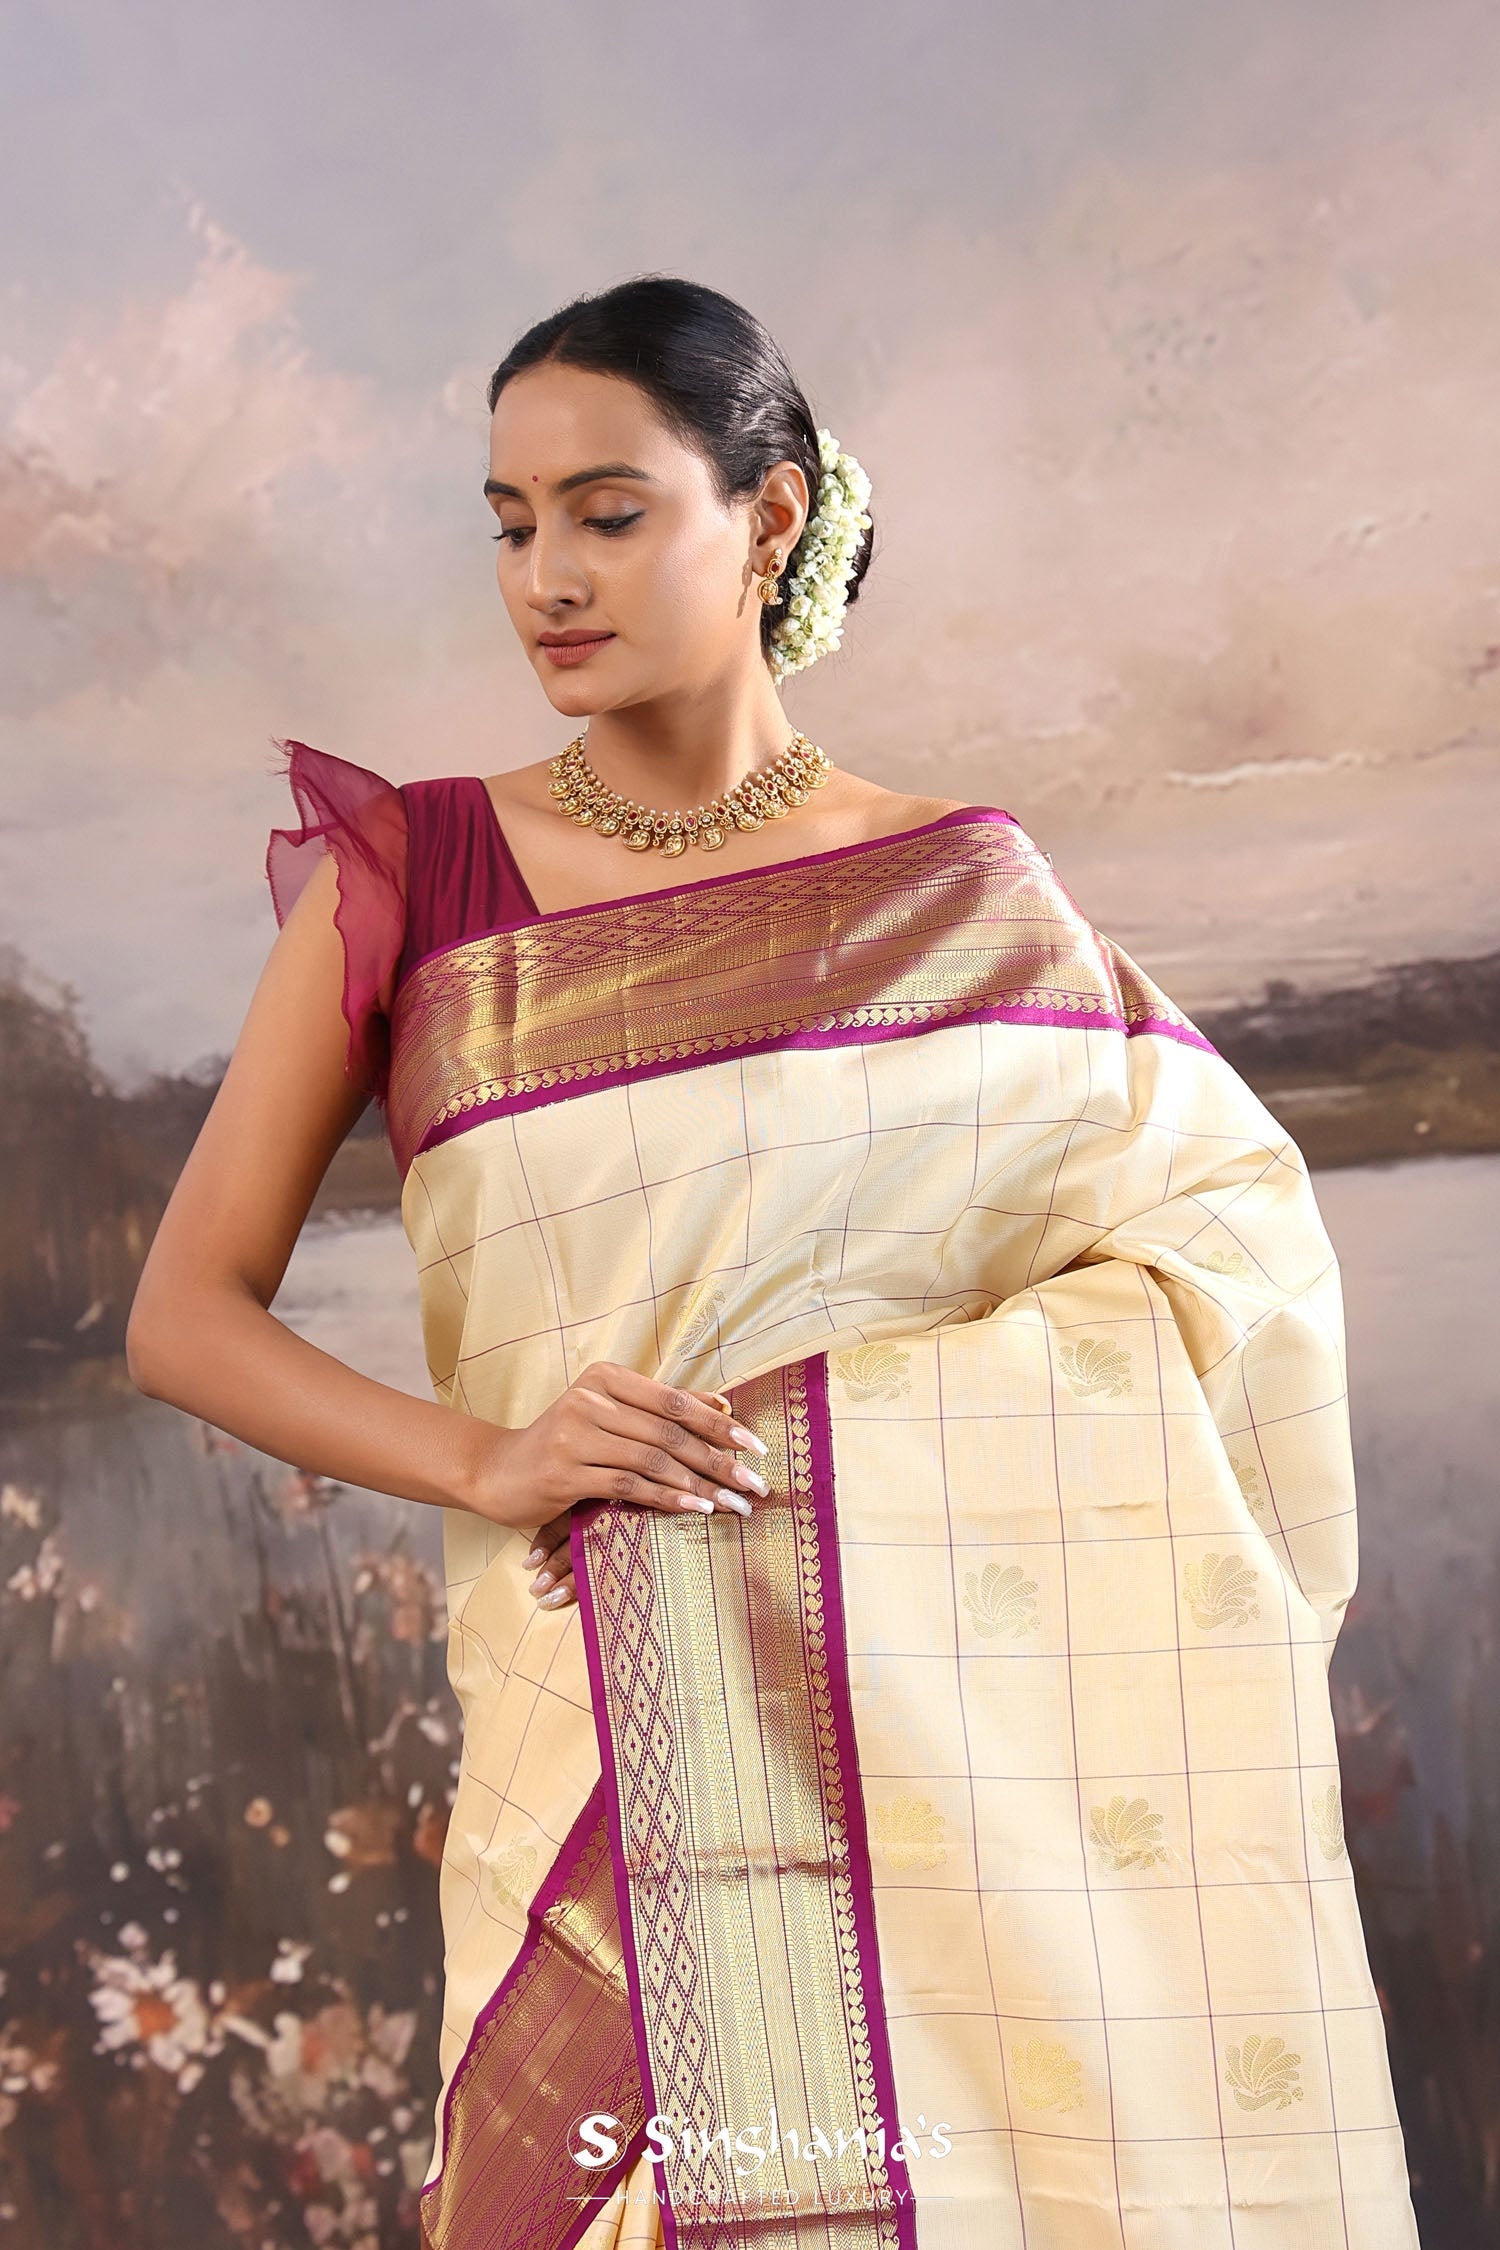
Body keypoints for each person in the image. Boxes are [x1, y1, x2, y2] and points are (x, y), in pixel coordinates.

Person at [126, 275, 1421, 2249]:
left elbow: (1222, 1252)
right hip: (596, 1738)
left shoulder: (964, 894)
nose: (546, 577)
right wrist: (491, 1458)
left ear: (775, 516)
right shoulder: (417, 883)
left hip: (951, 1781)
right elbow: (182, 1316)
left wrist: (842, 1443)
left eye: (607, 512)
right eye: (509, 523)